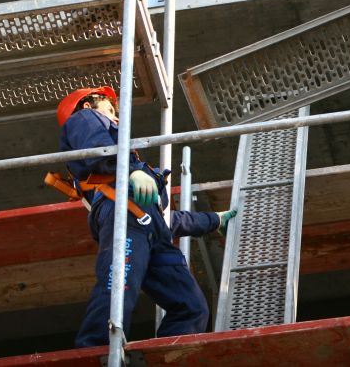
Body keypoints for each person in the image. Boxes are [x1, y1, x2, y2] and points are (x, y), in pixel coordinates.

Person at [57, 86, 236, 347]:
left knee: (191, 307)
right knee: (118, 287)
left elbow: (166, 220)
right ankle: (94, 352)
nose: (116, 117)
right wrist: (129, 170)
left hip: (147, 226)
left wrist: (214, 220)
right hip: (123, 214)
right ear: (87, 105)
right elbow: (98, 147)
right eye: (109, 109)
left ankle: (168, 357)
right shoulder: (84, 118)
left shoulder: (135, 177)